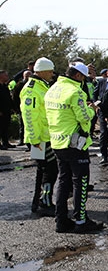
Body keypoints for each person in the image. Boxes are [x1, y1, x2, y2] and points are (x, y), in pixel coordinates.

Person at [44, 62, 103, 233]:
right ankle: (81, 221)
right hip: (75, 143)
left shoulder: (52, 89)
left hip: (57, 142)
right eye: (83, 78)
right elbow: (84, 117)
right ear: (78, 76)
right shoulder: (75, 91)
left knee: (63, 181)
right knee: (81, 182)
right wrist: (93, 110)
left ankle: (61, 221)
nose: (84, 81)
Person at [20, 57, 58, 216]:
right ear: (41, 71)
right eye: (50, 71)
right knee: (50, 170)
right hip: (39, 139)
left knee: (43, 170)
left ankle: (38, 201)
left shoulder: (42, 85)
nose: (52, 74)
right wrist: (35, 141)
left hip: (44, 137)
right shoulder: (31, 89)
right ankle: (45, 202)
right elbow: (29, 116)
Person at [12, 70, 32, 148]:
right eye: (26, 76)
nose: (28, 77)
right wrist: (16, 108)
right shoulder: (19, 85)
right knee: (22, 125)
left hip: (32, 109)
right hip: (22, 108)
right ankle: (22, 140)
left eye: (29, 76)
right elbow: (15, 97)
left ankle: (30, 143)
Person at [0, 70, 15, 150]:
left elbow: (8, 99)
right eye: (5, 76)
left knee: (5, 127)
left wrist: (12, 107)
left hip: (7, 110)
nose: (7, 77)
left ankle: (6, 142)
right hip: (1, 111)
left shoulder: (5, 86)